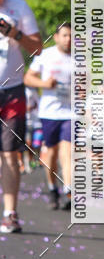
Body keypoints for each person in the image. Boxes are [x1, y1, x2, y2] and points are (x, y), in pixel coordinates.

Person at [0, 0, 43, 232]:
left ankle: (10, 213)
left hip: (12, 91)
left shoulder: (19, 7)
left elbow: (37, 48)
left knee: (10, 153)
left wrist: (14, 33)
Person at [24, 23, 73, 210]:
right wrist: (44, 84)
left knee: (68, 150)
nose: (68, 39)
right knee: (51, 153)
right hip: (49, 112)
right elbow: (28, 78)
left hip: (71, 112)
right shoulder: (45, 55)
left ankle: (68, 190)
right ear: (56, 37)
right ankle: (53, 188)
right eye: (65, 35)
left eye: (71, 36)